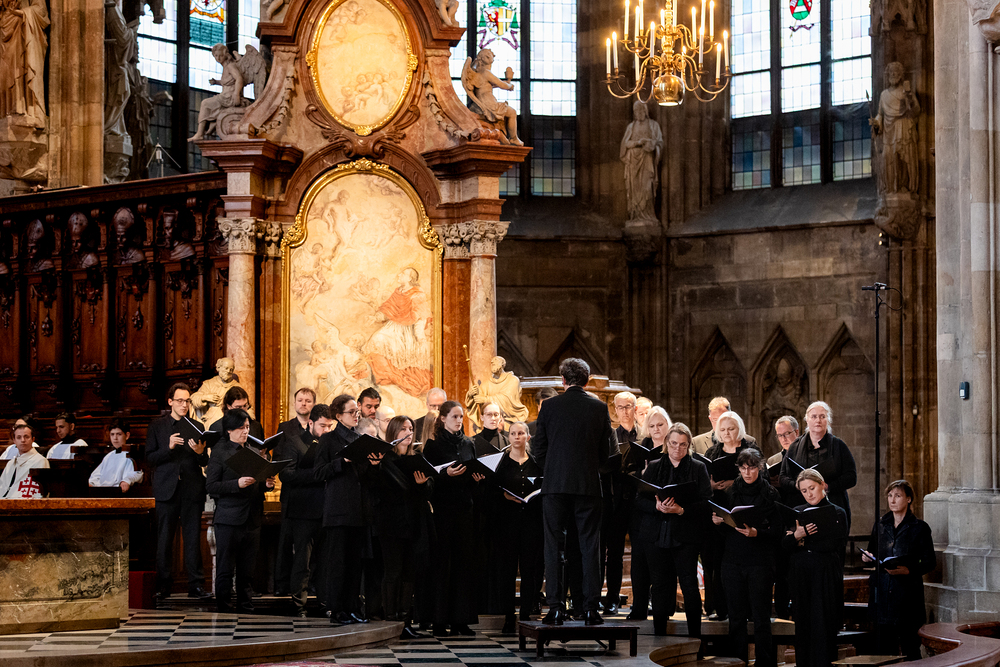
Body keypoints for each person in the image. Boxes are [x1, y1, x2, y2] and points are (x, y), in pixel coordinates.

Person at [533, 357, 614, 626]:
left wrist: (554, 470)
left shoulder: (549, 406)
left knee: (553, 546)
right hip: (588, 486)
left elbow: (539, 449)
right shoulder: (599, 408)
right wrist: (589, 469)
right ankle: (590, 609)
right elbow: (605, 453)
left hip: (555, 486)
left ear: (563, 380)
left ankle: (555, 608)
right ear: (587, 381)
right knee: (590, 547)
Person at [632, 422, 711, 641]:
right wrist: (656, 507)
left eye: (683, 445)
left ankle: (695, 639)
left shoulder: (698, 468)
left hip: (685, 535)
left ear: (689, 445)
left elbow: (706, 503)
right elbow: (639, 500)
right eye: (674, 443)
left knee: (689, 585)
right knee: (659, 585)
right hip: (656, 534)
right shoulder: (655, 466)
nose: (678, 449)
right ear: (667, 443)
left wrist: (681, 510)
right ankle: (659, 639)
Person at [710, 448, 780, 667]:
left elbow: (778, 531)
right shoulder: (730, 492)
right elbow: (724, 531)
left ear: (760, 467)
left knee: (761, 618)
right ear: (738, 469)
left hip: (760, 562)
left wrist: (757, 533)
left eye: (752, 467)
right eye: (743, 468)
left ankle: (764, 663)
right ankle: (738, 662)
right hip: (732, 560)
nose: (747, 472)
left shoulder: (771, 494)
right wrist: (718, 522)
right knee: (736, 618)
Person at [422, 400, 484, 636]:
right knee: (442, 565)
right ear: (443, 418)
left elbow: (472, 473)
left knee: (463, 564)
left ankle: (461, 620)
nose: (459, 421)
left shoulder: (469, 443)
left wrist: (477, 478)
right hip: (443, 511)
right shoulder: (433, 446)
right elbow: (427, 479)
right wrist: (445, 474)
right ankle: (439, 621)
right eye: (454, 416)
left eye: (461, 417)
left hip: (465, 510)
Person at [146, 382, 212, 601]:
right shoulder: (157, 426)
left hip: (191, 489)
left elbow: (204, 461)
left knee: (192, 538)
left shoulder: (197, 425)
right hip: (167, 489)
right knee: (165, 539)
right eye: (180, 401)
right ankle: (163, 585)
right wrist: (169, 448)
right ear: (170, 402)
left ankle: (196, 585)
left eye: (187, 401)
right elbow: (150, 458)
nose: (185, 405)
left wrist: (200, 452)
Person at [314, 394, 376, 626]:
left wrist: (373, 464)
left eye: (356, 412)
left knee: (354, 563)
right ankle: (337, 608)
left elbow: (364, 477)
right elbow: (318, 472)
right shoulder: (328, 440)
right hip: (338, 510)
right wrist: (342, 462)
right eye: (352, 412)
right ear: (339, 416)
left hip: (358, 509)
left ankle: (352, 607)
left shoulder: (360, 439)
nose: (356, 415)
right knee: (338, 562)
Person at [371, 415, 434, 639]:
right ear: (393, 432)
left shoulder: (418, 458)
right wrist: (375, 468)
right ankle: (391, 621)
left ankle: (405, 620)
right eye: (403, 429)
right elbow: (375, 490)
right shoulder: (383, 459)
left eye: (410, 428)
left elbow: (427, 492)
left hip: (412, 523)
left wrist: (422, 484)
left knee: (409, 573)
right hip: (390, 525)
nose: (408, 433)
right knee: (393, 571)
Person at [206, 408, 274, 613]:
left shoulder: (253, 451)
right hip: (229, 518)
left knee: (247, 569)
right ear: (229, 430)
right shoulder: (219, 452)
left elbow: (256, 483)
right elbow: (211, 486)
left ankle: (246, 606)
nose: (246, 431)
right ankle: (224, 607)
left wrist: (265, 484)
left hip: (252, 518)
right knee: (226, 568)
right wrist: (236, 484)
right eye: (241, 428)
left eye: (247, 427)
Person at [782, 469, 848, 667]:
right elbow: (784, 545)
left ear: (822, 485)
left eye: (812, 488)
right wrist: (797, 536)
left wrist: (803, 541)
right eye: (804, 491)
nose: (809, 494)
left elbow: (835, 544)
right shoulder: (797, 512)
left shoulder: (837, 512)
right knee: (803, 623)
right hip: (801, 573)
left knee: (823, 623)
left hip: (825, 573)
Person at [863, 480, 935, 661]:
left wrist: (909, 570)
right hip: (882, 594)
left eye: (898, 495)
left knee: (911, 648)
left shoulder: (920, 528)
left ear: (908, 499)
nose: (892, 500)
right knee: (884, 651)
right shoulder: (880, 525)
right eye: (890, 496)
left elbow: (930, 562)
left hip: (907, 595)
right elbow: (872, 552)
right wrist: (867, 557)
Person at [276, 403, 334, 617]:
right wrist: (318, 473)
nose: (326, 430)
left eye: (329, 426)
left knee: (325, 559)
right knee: (303, 560)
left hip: (326, 509)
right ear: (311, 423)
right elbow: (286, 474)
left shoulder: (331, 443)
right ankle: (299, 603)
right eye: (322, 426)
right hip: (302, 510)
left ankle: (325, 602)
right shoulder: (294, 442)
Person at [702, 410, 759, 622]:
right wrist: (710, 485)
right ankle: (719, 608)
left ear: (739, 429)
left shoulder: (750, 449)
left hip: (743, 511)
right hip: (718, 513)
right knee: (717, 563)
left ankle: (747, 610)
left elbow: (759, 477)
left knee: (743, 564)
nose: (727, 433)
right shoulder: (712, 452)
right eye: (723, 429)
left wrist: (732, 483)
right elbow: (703, 481)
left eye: (731, 429)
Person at [493, 420, 544, 632]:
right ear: (509, 437)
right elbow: (491, 492)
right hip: (507, 524)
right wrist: (503, 496)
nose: (516, 437)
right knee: (507, 571)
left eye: (521, 433)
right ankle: (508, 616)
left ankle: (524, 614)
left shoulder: (536, 464)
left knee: (529, 570)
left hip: (531, 523)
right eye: (513, 433)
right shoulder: (501, 464)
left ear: (527, 437)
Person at [780, 401, 857, 529]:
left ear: (828, 420)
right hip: (802, 505)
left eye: (822, 416)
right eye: (814, 416)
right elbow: (783, 477)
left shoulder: (838, 446)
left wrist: (828, 486)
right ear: (807, 420)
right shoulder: (794, 447)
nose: (818, 420)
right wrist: (799, 486)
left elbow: (851, 477)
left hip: (832, 504)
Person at [627, 405, 671, 620]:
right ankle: (639, 607)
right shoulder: (641, 447)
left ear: (667, 425)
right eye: (652, 426)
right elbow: (629, 476)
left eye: (660, 425)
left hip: (666, 514)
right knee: (639, 563)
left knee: (662, 565)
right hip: (642, 511)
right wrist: (642, 472)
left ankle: (663, 608)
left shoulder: (673, 446)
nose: (656, 429)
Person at [275, 386, 317, 596]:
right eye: (300, 400)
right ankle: (281, 584)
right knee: (286, 540)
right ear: (294, 403)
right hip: (291, 493)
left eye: (308, 401)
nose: (304, 404)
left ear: (313, 404)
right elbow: (279, 457)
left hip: (311, 495)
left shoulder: (317, 427)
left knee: (308, 544)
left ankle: (309, 583)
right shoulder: (285, 428)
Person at [603, 391, 640, 616]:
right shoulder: (610, 436)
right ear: (614, 410)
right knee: (614, 554)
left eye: (628, 407)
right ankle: (612, 599)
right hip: (616, 501)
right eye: (620, 407)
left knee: (641, 554)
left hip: (639, 502)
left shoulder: (644, 435)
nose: (624, 411)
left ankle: (642, 599)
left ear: (635, 409)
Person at [770, 415, 800, 619]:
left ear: (797, 432)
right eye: (780, 435)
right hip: (780, 518)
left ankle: (798, 613)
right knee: (781, 571)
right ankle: (781, 614)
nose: (784, 439)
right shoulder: (773, 460)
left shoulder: (804, 457)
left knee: (797, 571)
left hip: (799, 514)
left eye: (787, 434)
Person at [89, 418, 144, 491]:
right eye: (112, 434)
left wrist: (126, 481)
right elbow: (95, 476)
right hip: (104, 492)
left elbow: (137, 474)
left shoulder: (131, 455)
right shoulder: (108, 456)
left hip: (119, 492)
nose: (115, 438)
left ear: (127, 435)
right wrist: (93, 483)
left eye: (119, 434)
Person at [691, 396, 758, 456]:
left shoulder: (749, 441)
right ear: (710, 419)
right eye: (716, 420)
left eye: (724, 418)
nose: (720, 423)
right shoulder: (696, 442)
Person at [0, 423, 48, 498]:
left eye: (26, 437)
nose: (22, 440)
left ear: (33, 439)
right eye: (19, 437)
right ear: (14, 441)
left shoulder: (40, 461)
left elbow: (38, 493)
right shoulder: (10, 463)